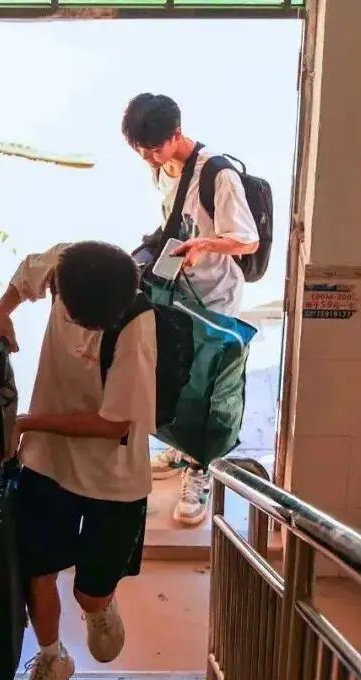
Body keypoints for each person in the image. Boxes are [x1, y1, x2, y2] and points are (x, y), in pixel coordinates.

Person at [0, 241, 157, 680]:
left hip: (114, 476)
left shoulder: (136, 324)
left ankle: (97, 605)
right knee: (38, 570)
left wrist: (27, 422)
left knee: (90, 593)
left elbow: (113, 425)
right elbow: (25, 275)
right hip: (49, 461)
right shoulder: (63, 264)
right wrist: (2, 312)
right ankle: (52, 655)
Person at [121, 92, 259, 526]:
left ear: (177, 133)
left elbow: (248, 240)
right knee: (178, 373)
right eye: (141, 151)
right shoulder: (162, 167)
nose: (149, 158)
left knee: (207, 382)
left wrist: (205, 245)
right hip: (178, 290)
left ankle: (201, 469)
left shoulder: (218, 175)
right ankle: (182, 449)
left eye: (154, 149)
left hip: (214, 295)